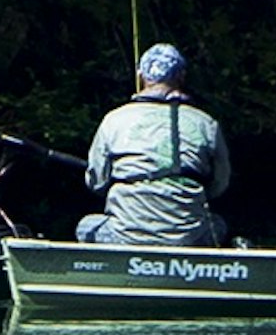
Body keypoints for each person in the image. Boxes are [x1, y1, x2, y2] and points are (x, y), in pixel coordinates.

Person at [77, 37, 236, 248]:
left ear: (141, 76)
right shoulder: (206, 124)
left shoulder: (114, 120)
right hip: (188, 238)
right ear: (181, 77)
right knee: (218, 224)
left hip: (125, 236)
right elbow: (219, 185)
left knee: (86, 226)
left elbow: (96, 182)